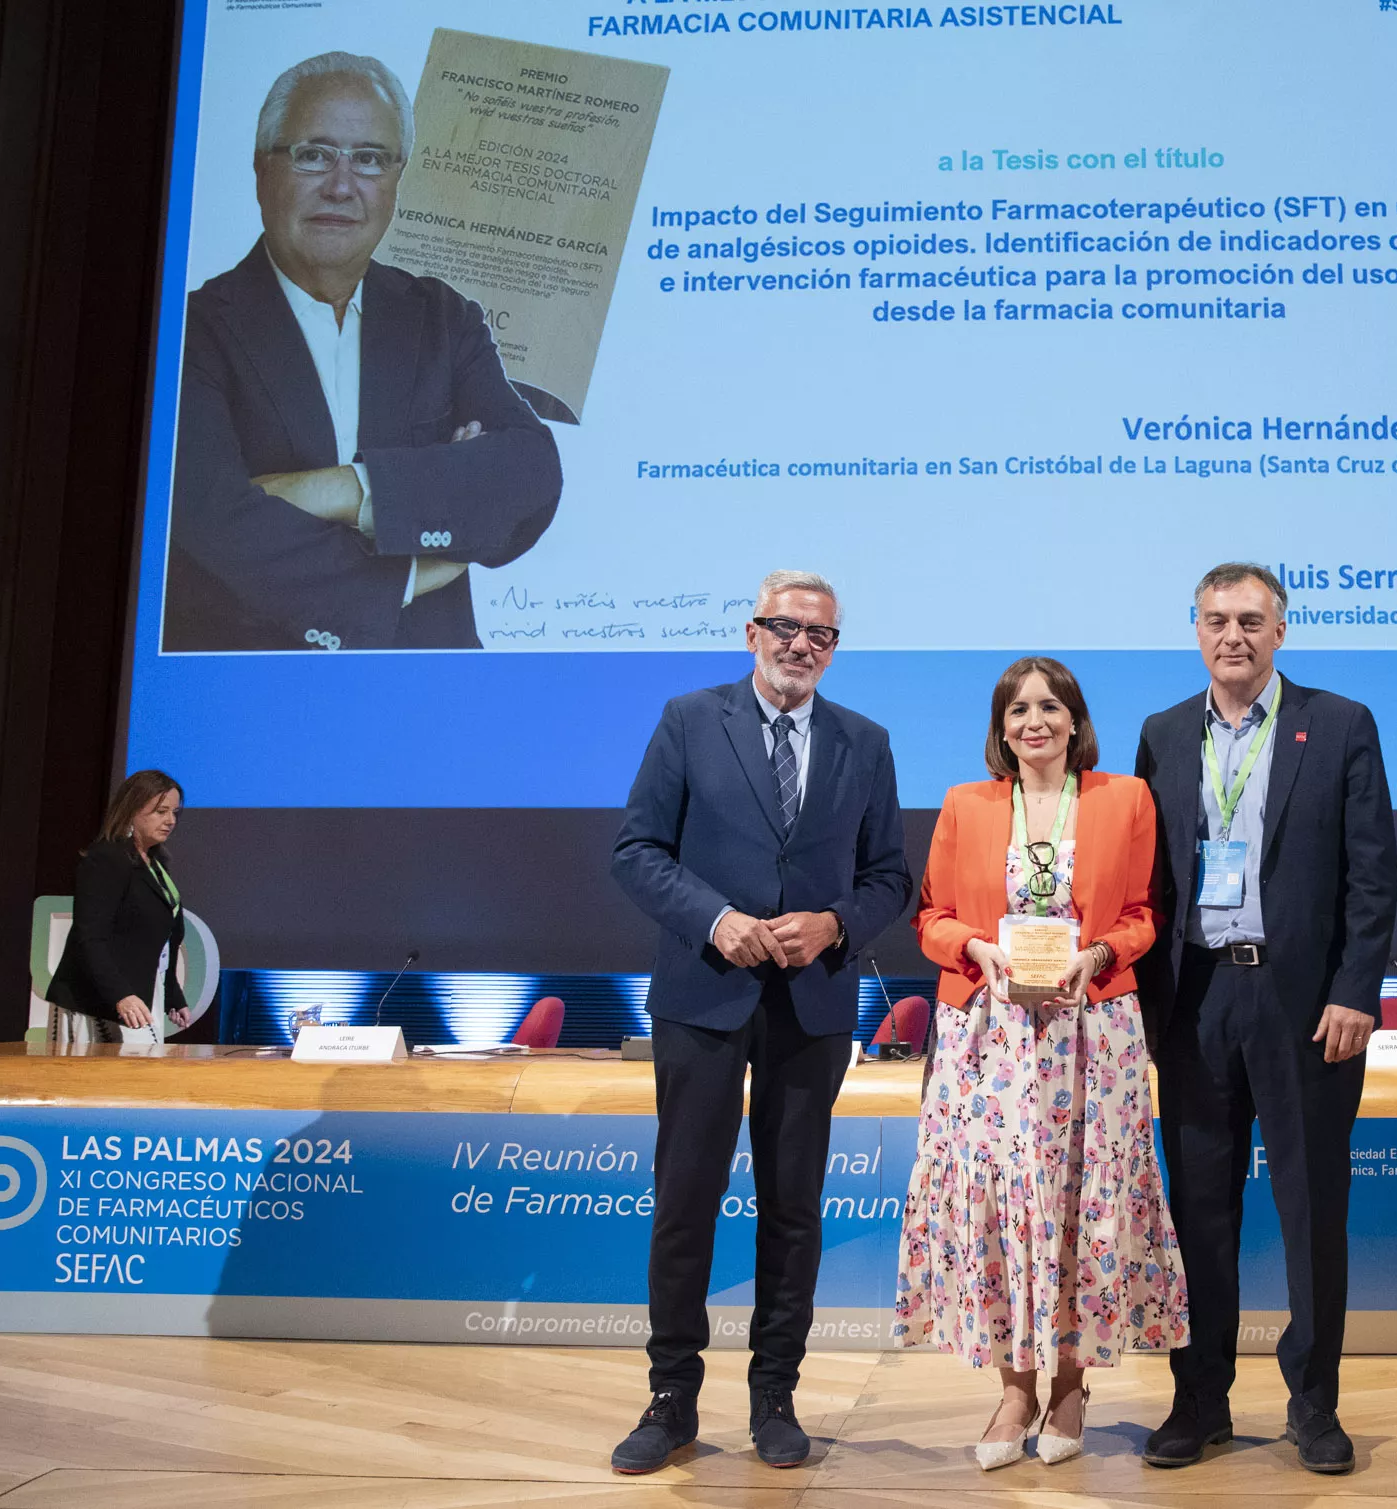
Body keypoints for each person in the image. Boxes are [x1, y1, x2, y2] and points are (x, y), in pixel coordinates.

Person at [607, 570, 913, 1473]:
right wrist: (715, 917)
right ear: (752, 632)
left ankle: (776, 1395)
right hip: (704, 995)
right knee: (686, 1200)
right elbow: (635, 849)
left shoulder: (867, 741)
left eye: (819, 636)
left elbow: (888, 875)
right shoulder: (690, 719)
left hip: (811, 1003)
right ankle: (671, 1400)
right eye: (785, 628)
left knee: (792, 1208)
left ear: (833, 648)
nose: (799, 646)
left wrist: (835, 923)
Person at [1133, 562, 1397, 1475]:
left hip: (1304, 1006)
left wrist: (1356, 989)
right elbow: (1150, 881)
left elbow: (1374, 875)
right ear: (1195, 631)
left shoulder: (1340, 725)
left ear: (1280, 631)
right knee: (1198, 1212)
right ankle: (1199, 1399)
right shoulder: (1163, 734)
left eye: (1250, 619)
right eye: (1216, 620)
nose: (1232, 635)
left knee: (1313, 1210)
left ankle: (1313, 1403)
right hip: (1197, 1001)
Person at [164, 51, 562, 651]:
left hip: (431, 687)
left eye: (370, 160)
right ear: (261, 170)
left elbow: (530, 476)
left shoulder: (443, 317)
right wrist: (416, 554)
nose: (342, 186)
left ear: (397, 177)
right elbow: (205, 527)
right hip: (250, 690)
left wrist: (350, 488)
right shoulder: (190, 331)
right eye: (314, 154)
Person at [895, 657, 1187, 1470]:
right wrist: (977, 949)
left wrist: (1098, 952)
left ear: (1075, 718)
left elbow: (1142, 915)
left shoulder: (1125, 798)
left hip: (1094, 1033)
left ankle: (1069, 1385)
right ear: (1000, 727)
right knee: (1001, 1206)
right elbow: (932, 918)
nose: (1035, 721)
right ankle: (1014, 1387)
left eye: (1050, 706)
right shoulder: (965, 804)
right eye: (1019, 709)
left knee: (1080, 1203)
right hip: (989, 1039)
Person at [44, 771, 194, 1049]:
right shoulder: (107, 859)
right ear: (132, 810)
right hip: (98, 1002)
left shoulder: (155, 864)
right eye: (161, 811)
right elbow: (89, 937)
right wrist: (120, 994)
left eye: (174, 812)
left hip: (137, 997)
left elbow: (165, 939)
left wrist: (172, 994)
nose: (171, 821)